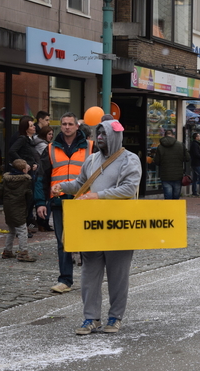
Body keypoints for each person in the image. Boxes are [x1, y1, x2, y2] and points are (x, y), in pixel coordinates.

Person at [53, 119, 141, 335]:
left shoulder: (130, 160)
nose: (100, 138)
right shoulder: (91, 160)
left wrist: (98, 196)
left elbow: (128, 189)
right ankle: (90, 318)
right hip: (91, 227)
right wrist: (62, 187)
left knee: (118, 275)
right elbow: (80, 185)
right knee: (89, 275)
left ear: (115, 136)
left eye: (104, 134)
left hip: (120, 227)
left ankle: (115, 317)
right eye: (98, 134)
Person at [35, 112, 95, 294]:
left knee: (86, 241)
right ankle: (65, 280)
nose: (67, 127)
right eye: (64, 124)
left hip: (83, 202)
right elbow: (41, 178)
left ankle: (89, 279)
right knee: (63, 242)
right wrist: (40, 202)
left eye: (70, 124)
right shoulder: (51, 148)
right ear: (60, 126)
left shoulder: (91, 147)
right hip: (59, 202)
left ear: (77, 126)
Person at [0, 159, 36, 262]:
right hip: (19, 207)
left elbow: (0, 192)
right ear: (23, 170)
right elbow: (29, 196)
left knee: (11, 230)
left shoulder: (6, 179)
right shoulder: (25, 181)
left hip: (8, 207)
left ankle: (7, 251)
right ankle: (23, 253)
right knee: (23, 230)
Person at [9, 115, 40, 234]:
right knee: (24, 201)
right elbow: (12, 151)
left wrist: (35, 163)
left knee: (30, 200)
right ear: (26, 128)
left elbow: (31, 155)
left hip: (31, 172)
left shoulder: (30, 140)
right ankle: (21, 228)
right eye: (31, 126)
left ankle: (25, 226)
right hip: (24, 175)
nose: (34, 127)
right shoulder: (22, 139)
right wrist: (23, 164)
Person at [154, 129, 190, 200]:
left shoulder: (160, 147)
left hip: (165, 175)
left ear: (164, 136)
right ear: (173, 136)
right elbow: (188, 158)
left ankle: (168, 210)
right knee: (176, 198)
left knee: (168, 198)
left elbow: (157, 162)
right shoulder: (180, 145)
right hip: (178, 175)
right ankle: (175, 210)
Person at [33, 125, 55, 232]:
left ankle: (43, 222)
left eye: (52, 134)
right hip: (41, 174)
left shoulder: (47, 145)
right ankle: (42, 221)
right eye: (49, 134)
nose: (51, 136)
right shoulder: (44, 146)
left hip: (42, 174)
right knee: (46, 201)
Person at [189, 132, 200, 197]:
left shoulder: (195, 144)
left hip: (195, 163)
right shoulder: (195, 145)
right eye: (199, 136)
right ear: (196, 137)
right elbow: (196, 154)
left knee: (195, 178)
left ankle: (194, 192)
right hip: (197, 163)